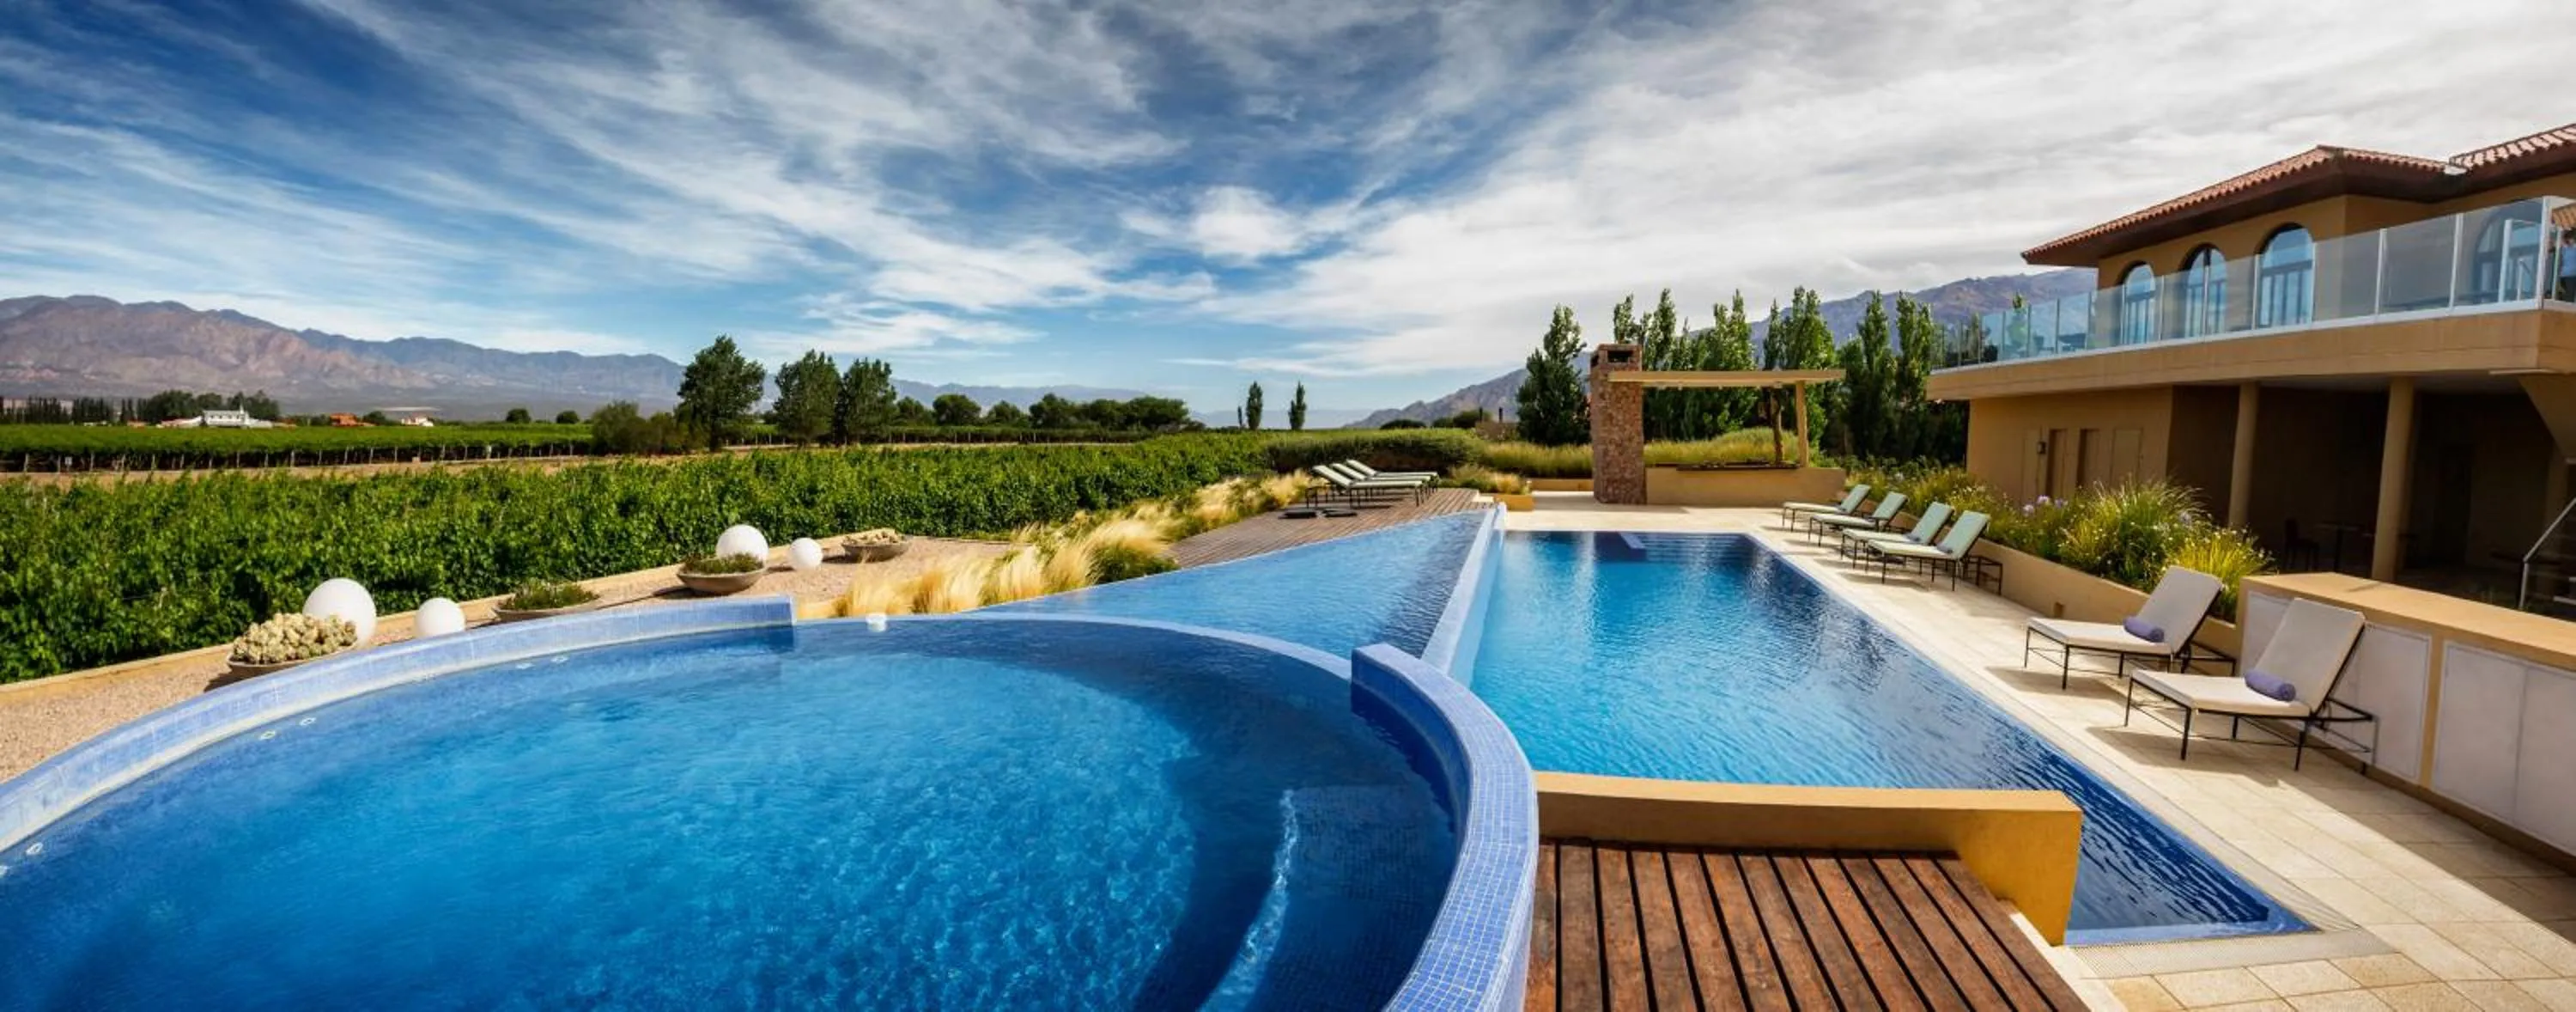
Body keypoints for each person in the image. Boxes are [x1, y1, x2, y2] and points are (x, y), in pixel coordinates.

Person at [2555, 229, 2576, 302]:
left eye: (2570, 239)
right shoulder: (2566, 249)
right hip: (2569, 275)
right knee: (2569, 295)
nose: (2569, 240)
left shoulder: (2567, 249)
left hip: (2567, 275)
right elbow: (2561, 239)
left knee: (2569, 294)